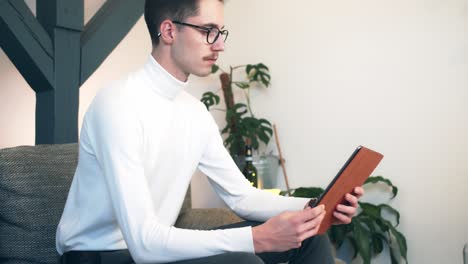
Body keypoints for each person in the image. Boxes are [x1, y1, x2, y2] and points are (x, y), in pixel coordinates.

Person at [56, 0, 364, 263]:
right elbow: (143, 242)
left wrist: (317, 207)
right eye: (208, 32)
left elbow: (242, 197)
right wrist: (256, 238)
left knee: (310, 239)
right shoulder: (117, 104)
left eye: (220, 33)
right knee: (242, 260)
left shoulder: (195, 112)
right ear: (168, 31)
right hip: (101, 255)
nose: (220, 44)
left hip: (156, 249)